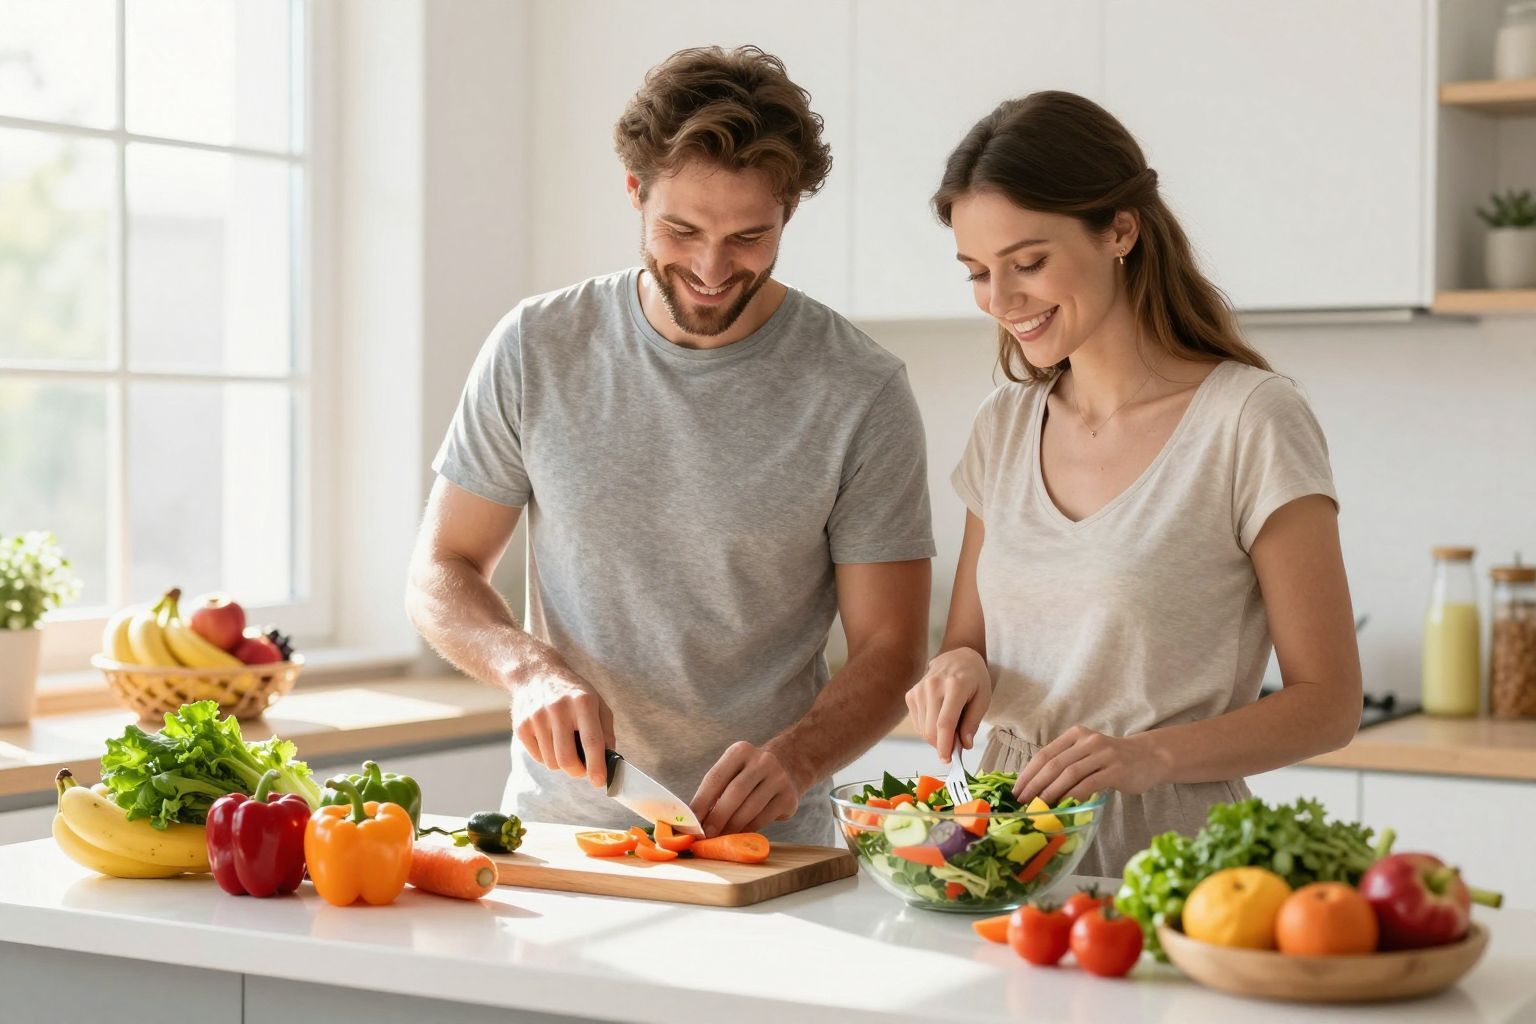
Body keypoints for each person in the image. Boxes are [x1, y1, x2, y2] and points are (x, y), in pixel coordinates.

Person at [406, 46, 934, 845]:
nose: (712, 269)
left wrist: (795, 759)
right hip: (563, 832)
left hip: (767, 845)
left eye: (750, 237)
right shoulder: (537, 347)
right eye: (680, 230)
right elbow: (441, 570)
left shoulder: (859, 389)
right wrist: (527, 670)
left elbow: (892, 652)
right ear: (634, 192)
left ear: (789, 211)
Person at [904, 91, 1362, 875]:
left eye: (1029, 262)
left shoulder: (1250, 420)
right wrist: (957, 671)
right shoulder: (1005, 424)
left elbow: (1329, 704)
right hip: (996, 853)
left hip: (1170, 866)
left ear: (1120, 228)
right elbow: (971, 646)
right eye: (978, 272)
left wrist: (1146, 756)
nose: (1001, 301)